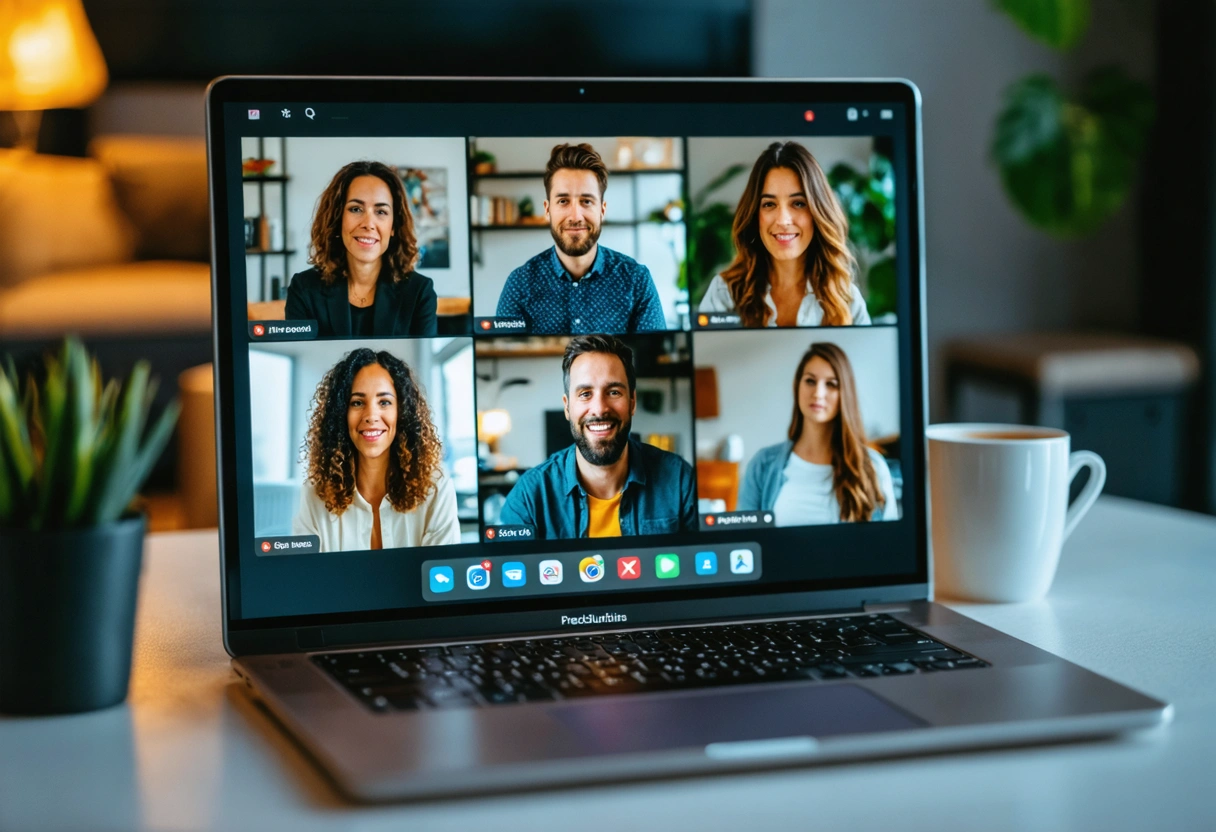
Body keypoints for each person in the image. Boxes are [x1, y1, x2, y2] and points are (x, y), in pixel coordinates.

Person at [498, 334, 697, 538]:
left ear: (632, 402)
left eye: (613, 392)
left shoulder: (679, 480)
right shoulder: (528, 497)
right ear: (567, 406)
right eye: (585, 394)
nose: (600, 409)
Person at [293, 348, 459, 551]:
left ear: (402, 412)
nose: (371, 415)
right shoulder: (314, 493)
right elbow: (309, 576)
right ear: (340, 414)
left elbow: (439, 574)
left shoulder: (436, 486)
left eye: (384, 402)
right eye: (357, 402)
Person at [495, 143, 667, 335]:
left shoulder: (637, 280)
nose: (575, 216)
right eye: (563, 201)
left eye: (586, 201)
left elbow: (651, 356)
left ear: (602, 210)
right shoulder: (519, 285)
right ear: (547, 210)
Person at [698, 141, 871, 327]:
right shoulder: (724, 294)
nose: (783, 220)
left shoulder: (848, 301)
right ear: (755, 215)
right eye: (769, 204)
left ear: (817, 212)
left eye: (798, 203)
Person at [738, 342, 895, 526]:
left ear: (845, 394)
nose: (818, 393)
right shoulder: (763, 464)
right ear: (797, 386)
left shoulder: (873, 467)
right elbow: (745, 539)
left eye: (831, 384)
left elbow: (888, 546)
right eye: (810, 381)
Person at [285, 160, 438, 337]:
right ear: (338, 218)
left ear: (393, 226)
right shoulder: (304, 289)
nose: (368, 224)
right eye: (356, 209)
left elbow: (420, 363)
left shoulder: (420, 292)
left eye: (381, 212)